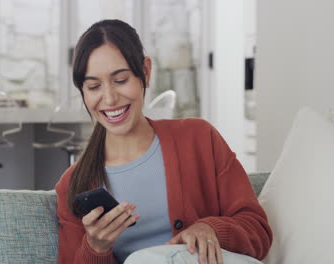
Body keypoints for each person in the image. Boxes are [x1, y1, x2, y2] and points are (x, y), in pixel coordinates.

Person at [55, 19, 273, 264]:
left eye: (121, 80)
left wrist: (210, 230)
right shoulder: (73, 185)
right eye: (94, 86)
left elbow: (259, 232)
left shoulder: (199, 138)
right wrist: (96, 248)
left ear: (145, 72)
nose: (109, 98)